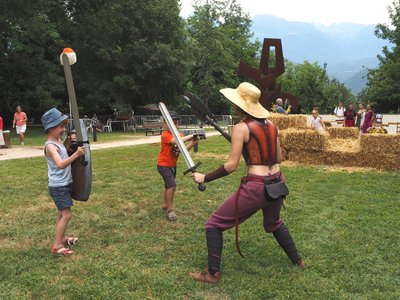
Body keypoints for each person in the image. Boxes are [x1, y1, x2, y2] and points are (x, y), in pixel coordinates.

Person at [189, 82, 304, 284]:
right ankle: (298, 261)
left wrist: (204, 177)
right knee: (273, 223)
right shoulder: (272, 125)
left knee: (213, 225)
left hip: (257, 187)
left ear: (238, 105)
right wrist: (251, 152)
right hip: (277, 182)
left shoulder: (242, 128)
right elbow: (278, 158)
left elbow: (231, 166)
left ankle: (212, 274)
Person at [41, 108, 85, 256]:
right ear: (52, 127)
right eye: (61, 127)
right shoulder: (50, 146)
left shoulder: (58, 142)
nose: (63, 129)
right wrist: (77, 154)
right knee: (67, 215)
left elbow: (63, 151)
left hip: (63, 184)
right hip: (58, 186)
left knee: (61, 213)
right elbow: (60, 164)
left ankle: (63, 238)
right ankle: (57, 245)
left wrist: (68, 142)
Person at [157, 111, 199, 221]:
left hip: (172, 165)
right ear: (165, 124)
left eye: (176, 123)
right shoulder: (165, 135)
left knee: (168, 185)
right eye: (171, 123)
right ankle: (170, 210)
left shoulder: (180, 135)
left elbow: (182, 150)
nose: (174, 125)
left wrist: (192, 143)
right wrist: (191, 136)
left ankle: (165, 205)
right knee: (172, 185)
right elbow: (175, 141)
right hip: (163, 165)